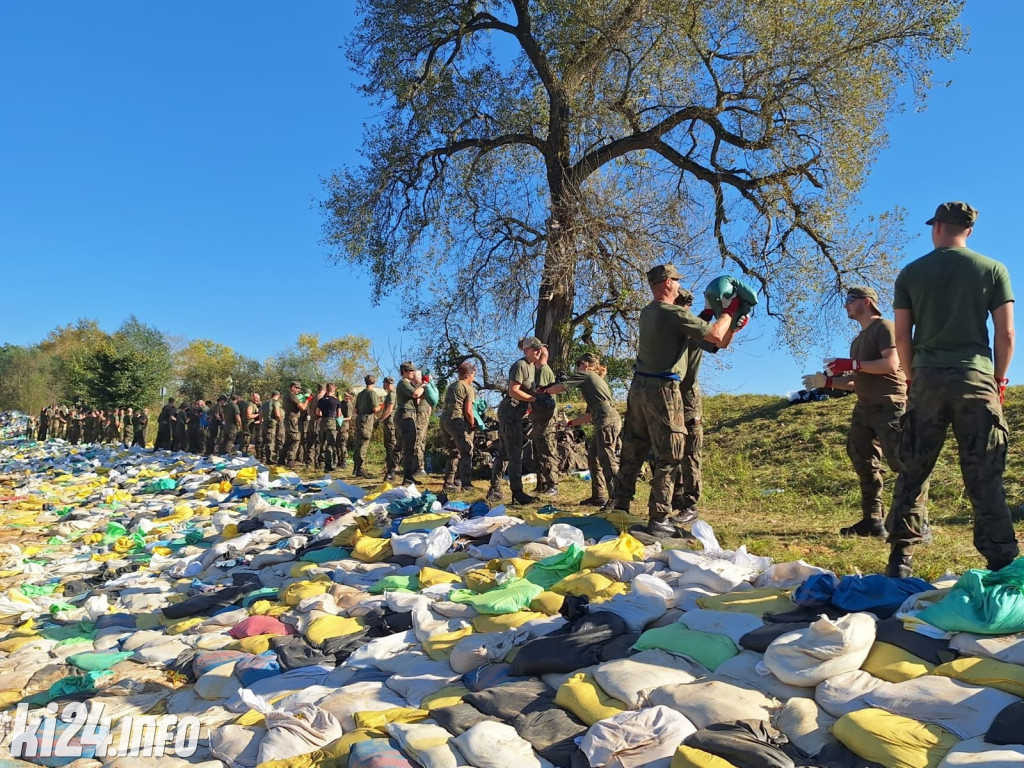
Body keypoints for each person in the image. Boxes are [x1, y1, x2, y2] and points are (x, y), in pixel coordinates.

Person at [884, 201, 1019, 577]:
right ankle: (1001, 564)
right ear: (969, 231)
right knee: (984, 472)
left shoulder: (911, 273)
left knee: (914, 468)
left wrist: (912, 377)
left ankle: (901, 559)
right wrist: (999, 379)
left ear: (937, 227)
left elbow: (902, 334)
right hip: (976, 379)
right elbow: (1005, 333)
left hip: (926, 377)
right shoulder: (993, 270)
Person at [606, 265, 741, 535]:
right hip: (664, 389)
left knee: (634, 447)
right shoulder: (672, 313)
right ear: (668, 283)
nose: (679, 287)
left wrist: (727, 324)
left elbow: (711, 339)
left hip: (640, 386)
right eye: (677, 282)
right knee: (671, 454)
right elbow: (714, 336)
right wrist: (729, 310)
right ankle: (659, 519)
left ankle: (620, 506)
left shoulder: (649, 312)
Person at [804, 286, 929, 539]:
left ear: (868, 302)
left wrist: (851, 365)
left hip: (890, 405)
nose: (846, 304)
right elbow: (857, 381)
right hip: (864, 408)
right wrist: (826, 383)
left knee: (905, 463)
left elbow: (891, 364)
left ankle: (919, 524)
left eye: (851, 300)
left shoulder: (885, 327)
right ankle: (873, 521)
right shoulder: (857, 340)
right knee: (864, 464)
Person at [538, 352, 620, 506]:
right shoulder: (595, 385)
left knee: (607, 460)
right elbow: (588, 416)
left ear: (586, 364)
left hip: (606, 420)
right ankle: (599, 496)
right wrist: (569, 424)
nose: (578, 368)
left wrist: (544, 390)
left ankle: (617, 499)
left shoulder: (587, 375)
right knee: (593, 458)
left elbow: (561, 388)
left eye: (579, 364)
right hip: (605, 418)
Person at [488, 337, 547, 506]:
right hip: (510, 413)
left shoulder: (531, 367)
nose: (538, 352)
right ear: (526, 350)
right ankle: (517, 493)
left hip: (518, 413)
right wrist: (533, 400)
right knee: (515, 455)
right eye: (534, 349)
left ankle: (495, 488)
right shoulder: (520, 366)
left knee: (505, 453)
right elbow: (513, 391)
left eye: (539, 349)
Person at [440, 361, 477, 493]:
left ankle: (449, 482)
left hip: (444, 420)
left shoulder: (452, 386)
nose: (473, 378)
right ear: (469, 374)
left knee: (453, 452)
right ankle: (466, 483)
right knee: (467, 450)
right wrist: (472, 424)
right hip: (456, 421)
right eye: (473, 375)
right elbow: (468, 410)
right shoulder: (468, 388)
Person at [531, 345, 560, 497]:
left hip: (546, 417)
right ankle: (542, 483)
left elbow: (538, 392)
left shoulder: (543, 370)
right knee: (538, 450)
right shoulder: (539, 370)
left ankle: (552, 485)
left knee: (547, 450)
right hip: (539, 416)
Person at [396, 362, 427, 484]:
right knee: (408, 447)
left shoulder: (408, 384)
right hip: (405, 415)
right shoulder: (403, 383)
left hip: (409, 414)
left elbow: (418, 398)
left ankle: (408, 476)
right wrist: (424, 385)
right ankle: (407, 477)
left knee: (409, 446)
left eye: (413, 371)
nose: (413, 373)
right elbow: (415, 394)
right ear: (404, 372)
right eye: (410, 371)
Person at [353, 375, 383, 477]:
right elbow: (375, 409)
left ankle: (356, 468)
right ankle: (360, 468)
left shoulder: (360, 394)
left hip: (359, 418)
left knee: (358, 442)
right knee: (364, 442)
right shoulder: (372, 393)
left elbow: (356, 410)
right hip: (367, 419)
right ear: (374, 381)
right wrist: (381, 406)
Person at [280, 381, 308, 467]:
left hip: (288, 418)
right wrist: (307, 400)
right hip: (292, 419)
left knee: (289, 439)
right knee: (296, 438)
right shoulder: (292, 395)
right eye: (298, 388)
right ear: (293, 388)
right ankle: (290, 460)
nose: (299, 390)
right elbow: (302, 407)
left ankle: (281, 459)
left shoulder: (286, 396)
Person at [316, 383, 342, 473]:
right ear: (333, 390)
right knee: (330, 444)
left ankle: (320, 463)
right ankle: (328, 465)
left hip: (322, 421)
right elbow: (339, 415)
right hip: (331, 421)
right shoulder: (336, 401)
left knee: (322, 443)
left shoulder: (321, 400)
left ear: (326, 390)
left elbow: (318, 413)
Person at [379, 378, 398, 481]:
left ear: (386, 384)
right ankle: (390, 468)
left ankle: (392, 470)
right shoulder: (391, 394)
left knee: (391, 445)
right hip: (389, 421)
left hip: (390, 421)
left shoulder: (392, 394)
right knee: (388, 445)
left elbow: (389, 410)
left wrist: (380, 419)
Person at [265, 390, 284, 463]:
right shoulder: (276, 402)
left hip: (266, 423)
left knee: (268, 441)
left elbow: (260, 413)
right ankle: (271, 459)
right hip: (273, 423)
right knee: (273, 441)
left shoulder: (265, 403)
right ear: (278, 396)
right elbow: (277, 413)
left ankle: (267, 457)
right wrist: (279, 420)